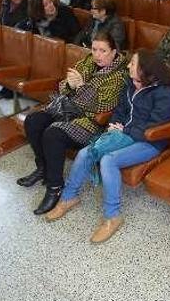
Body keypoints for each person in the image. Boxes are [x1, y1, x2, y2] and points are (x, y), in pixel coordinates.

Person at [45, 50, 170, 242]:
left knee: (108, 160)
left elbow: (156, 125)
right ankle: (68, 197)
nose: (129, 66)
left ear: (144, 69)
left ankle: (112, 216)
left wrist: (124, 130)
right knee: (86, 152)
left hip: (149, 141)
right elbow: (119, 111)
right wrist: (114, 125)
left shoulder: (165, 92)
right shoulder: (129, 85)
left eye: (133, 63)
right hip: (123, 133)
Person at [19, 31, 128, 213]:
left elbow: (103, 106)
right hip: (68, 108)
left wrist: (80, 87)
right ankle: (43, 168)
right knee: (33, 120)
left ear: (114, 51)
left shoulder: (119, 75)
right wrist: (70, 84)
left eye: (103, 51)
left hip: (92, 122)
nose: (97, 55)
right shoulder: (88, 61)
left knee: (53, 134)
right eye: (94, 49)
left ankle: (54, 186)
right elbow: (63, 86)